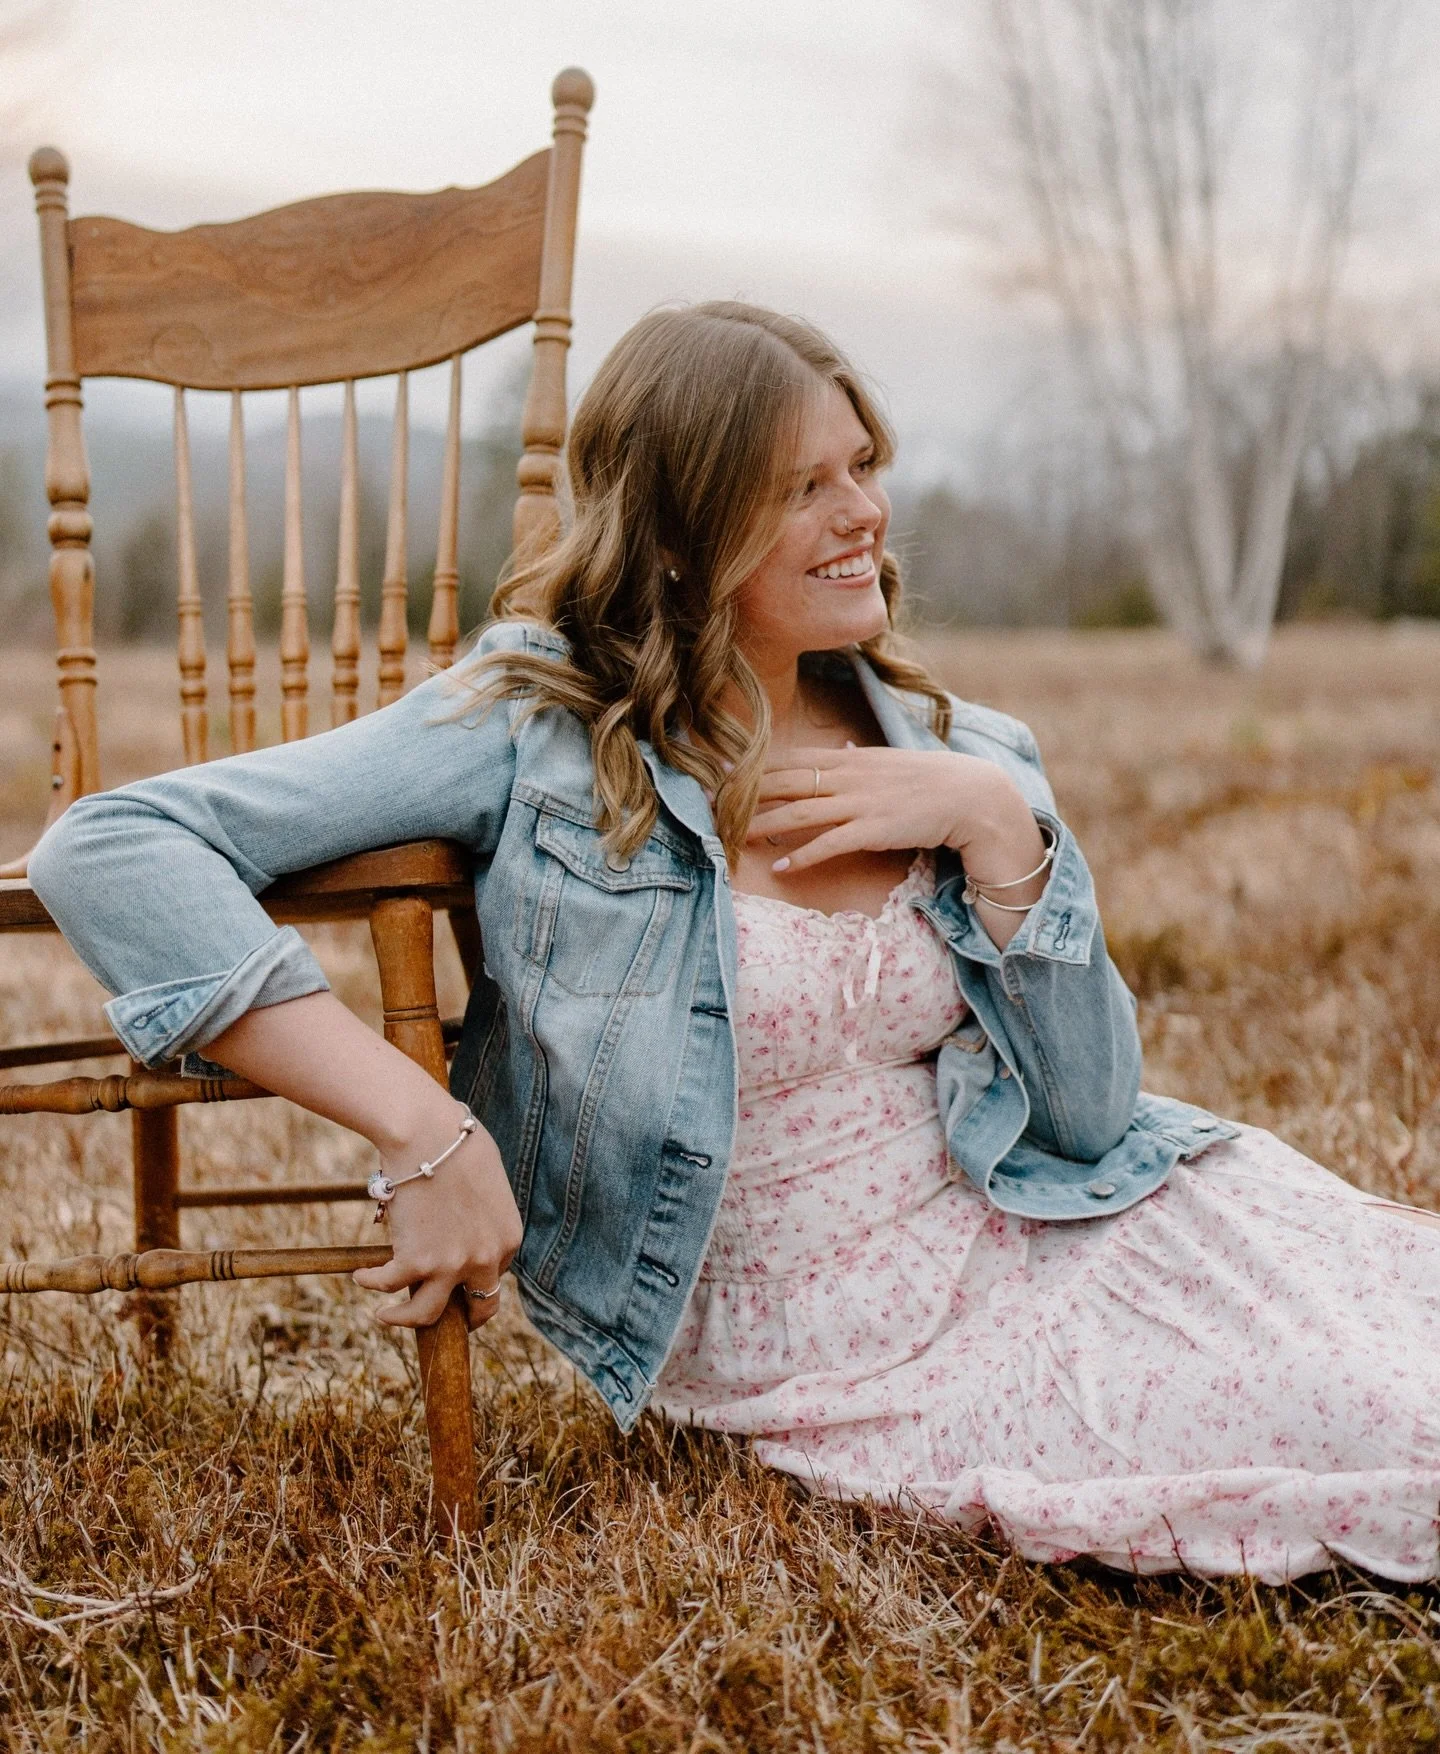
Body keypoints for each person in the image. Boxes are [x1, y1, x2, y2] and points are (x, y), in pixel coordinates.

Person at [29, 302, 1440, 1584]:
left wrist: (1002, 832)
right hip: (822, 1337)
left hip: (1050, 1218)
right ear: (683, 531)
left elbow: (1088, 1115)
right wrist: (425, 1125)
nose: (864, 514)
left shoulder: (963, 751)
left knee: (1392, 1322)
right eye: (802, 487)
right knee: (1370, 1418)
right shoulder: (542, 732)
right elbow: (113, 848)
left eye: (864, 466)